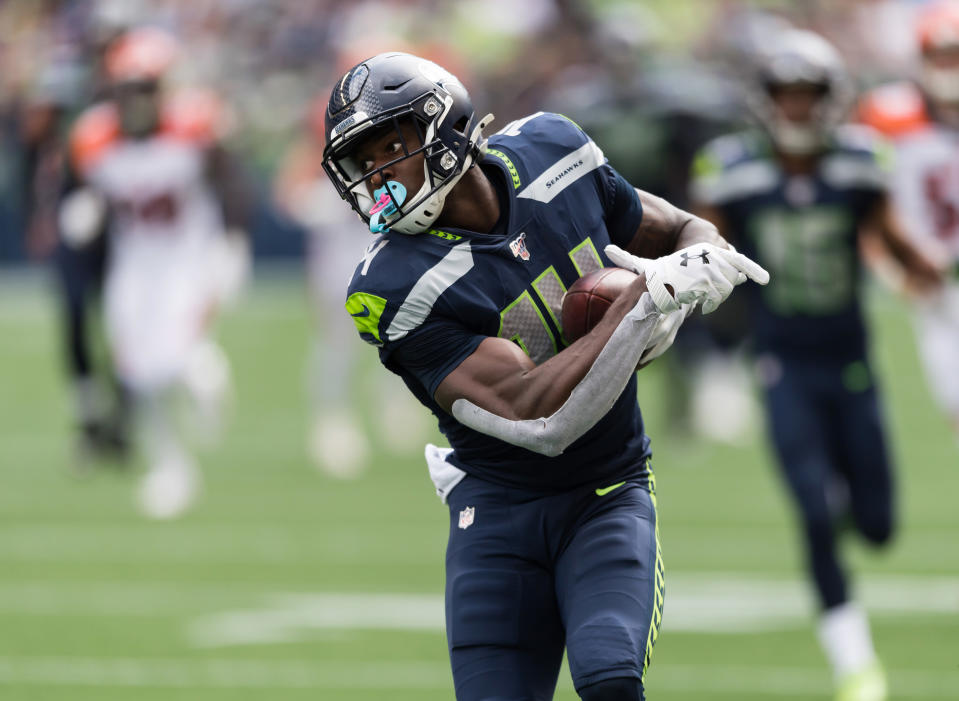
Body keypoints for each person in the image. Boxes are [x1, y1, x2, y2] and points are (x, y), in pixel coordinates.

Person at [322, 51, 768, 700]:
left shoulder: (552, 151)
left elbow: (675, 228)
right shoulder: (393, 286)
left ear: (443, 128)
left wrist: (702, 257)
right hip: (497, 514)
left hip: (605, 492)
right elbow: (538, 416)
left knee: (609, 678)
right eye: (362, 163)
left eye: (390, 146)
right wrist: (645, 299)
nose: (377, 175)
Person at [690, 30, 941, 701]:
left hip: (851, 359)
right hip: (781, 361)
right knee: (810, 505)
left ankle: (850, 519)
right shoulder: (731, 167)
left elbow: (893, 239)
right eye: (786, 95)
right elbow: (697, 244)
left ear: (830, 100)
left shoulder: (861, 160)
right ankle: (853, 660)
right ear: (765, 100)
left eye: (808, 96)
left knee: (877, 525)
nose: (797, 109)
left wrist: (929, 269)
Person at [67, 27, 252, 518]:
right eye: (130, 88)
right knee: (136, 372)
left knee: (169, 361)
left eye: (147, 87)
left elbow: (232, 184)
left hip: (186, 260)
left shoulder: (192, 127)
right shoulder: (95, 137)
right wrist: (85, 205)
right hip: (134, 266)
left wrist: (233, 242)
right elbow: (81, 187)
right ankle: (171, 465)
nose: (138, 99)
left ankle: (201, 369)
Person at [858, 0, 959, 443]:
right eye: (940, 56)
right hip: (929, 276)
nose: (948, 67)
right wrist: (890, 266)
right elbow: (863, 200)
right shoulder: (889, 115)